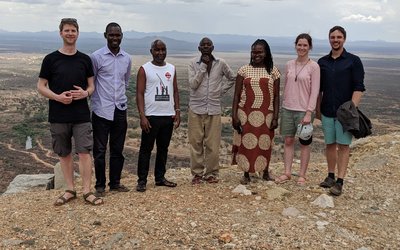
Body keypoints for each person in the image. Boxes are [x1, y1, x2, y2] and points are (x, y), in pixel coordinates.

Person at [37, 18, 103, 205]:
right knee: (64, 153)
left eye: (73, 30)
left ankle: (87, 191)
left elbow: (92, 86)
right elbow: (41, 86)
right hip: (58, 115)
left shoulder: (84, 59)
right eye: (67, 30)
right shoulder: (50, 59)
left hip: (81, 114)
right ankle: (69, 190)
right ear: (61, 33)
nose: (70, 33)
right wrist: (57, 97)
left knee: (84, 153)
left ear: (78, 33)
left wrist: (85, 93)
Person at [317, 26, 365, 196]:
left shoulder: (353, 61)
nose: (335, 40)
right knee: (330, 144)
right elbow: (319, 88)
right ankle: (330, 176)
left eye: (339, 37)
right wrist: (317, 110)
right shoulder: (322, 62)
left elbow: (359, 87)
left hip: (345, 112)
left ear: (344, 39)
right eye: (332, 37)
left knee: (343, 146)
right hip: (327, 110)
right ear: (329, 39)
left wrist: (351, 108)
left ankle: (340, 181)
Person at [90, 22, 132, 197]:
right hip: (101, 110)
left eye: (117, 35)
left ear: (121, 36)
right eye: (111, 35)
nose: (115, 38)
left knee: (117, 150)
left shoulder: (127, 58)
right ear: (105, 35)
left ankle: (115, 183)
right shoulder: (96, 57)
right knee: (99, 150)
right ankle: (100, 185)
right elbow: (91, 81)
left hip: (120, 108)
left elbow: (126, 81)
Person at [232, 39, 280, 184]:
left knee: (265, 143)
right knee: (247, 142)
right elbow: (236, 94)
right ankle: (246, 173)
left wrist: (276, 117)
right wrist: (234, 115)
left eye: (260, 52)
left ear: (266, 53)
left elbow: (277, 96)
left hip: (267, 114)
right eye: (254, 52)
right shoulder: (243, 70)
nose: (256, 55)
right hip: (245, 113)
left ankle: (265, 171)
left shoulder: (273, 71)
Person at [188, 37, 236, 184]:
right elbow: (193, 84)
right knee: (195, 143)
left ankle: (211, 173)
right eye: (203, 45)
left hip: (214, 109)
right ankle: (197, 174)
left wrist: (220, 92)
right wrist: (203, 66)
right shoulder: (193, 64)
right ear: (199, 48)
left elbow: (233, 78)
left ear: (213, 47)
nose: (206, 47)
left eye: (209, 45)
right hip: (196, 108)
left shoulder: (221, 63)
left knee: (213, 144)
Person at [275, 33, 320, 185]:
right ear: (295, 45)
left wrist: (309, 112)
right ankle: (287, 172)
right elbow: (287, 85)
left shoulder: (314, 67)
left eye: (305, 45)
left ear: (310, 47)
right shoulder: (289, 64)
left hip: (303, 110)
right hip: (288, 108)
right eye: (299, 45)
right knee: (288, 140)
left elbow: (315, 91)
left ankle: (302, 174)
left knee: (304, 143)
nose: (302, 48)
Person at [135, 39, 180, 192]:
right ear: (151, 51)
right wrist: (142, 116)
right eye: (157, 50)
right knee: (145, 149)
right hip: (151, 116)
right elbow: (139, 93)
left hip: (168, 115)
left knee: (163, 149)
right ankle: (142, 180)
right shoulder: (144, 69)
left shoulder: (172, 68)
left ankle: (160, 178)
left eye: (163, 49)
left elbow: (175, 91)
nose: (160, 53)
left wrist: (177, 111)